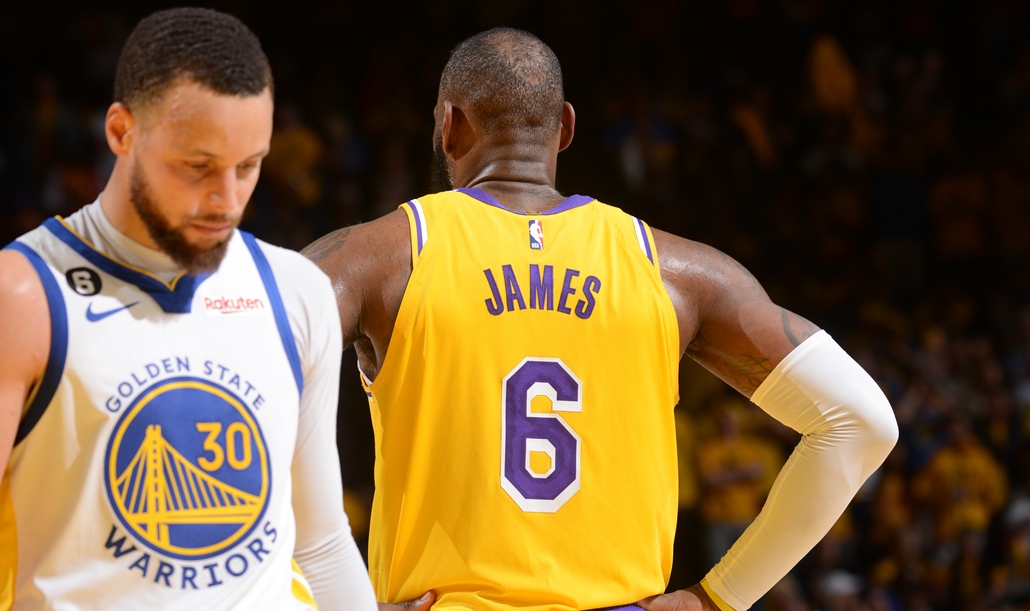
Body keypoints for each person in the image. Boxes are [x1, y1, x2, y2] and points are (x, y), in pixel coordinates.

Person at [304, 27, 899, 611]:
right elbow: (862, 421)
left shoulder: (381, 256)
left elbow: (247, 393)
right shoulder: (680, 272)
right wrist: (717, 598)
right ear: (565, 128)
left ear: (448, 127)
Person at [0, 8, 376, 610]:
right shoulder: (9, 299)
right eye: (198, 167)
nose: (227, 199)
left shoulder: (296, 290)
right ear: (121, 132)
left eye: (248, 166)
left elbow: (323, 542)